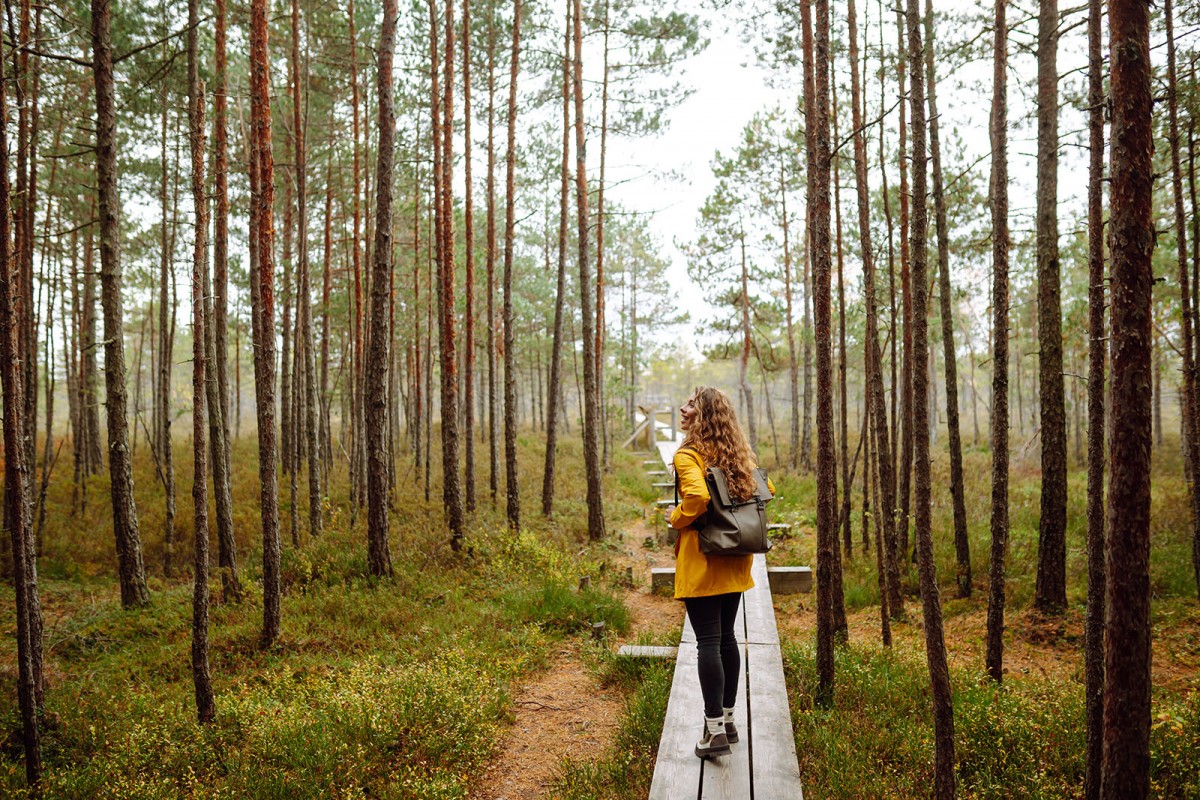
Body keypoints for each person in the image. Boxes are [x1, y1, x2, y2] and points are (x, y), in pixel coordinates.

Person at [665, 386, 774, 760]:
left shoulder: (689, 455)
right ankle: (728, 723)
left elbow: (695, 498)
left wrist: (675, 518)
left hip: (705, 557)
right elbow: (767, 488)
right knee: (727, 638)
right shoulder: (738, 453)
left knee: (708, 641)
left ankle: (713, 733)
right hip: (737, 554)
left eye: (691, 403)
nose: (683, 407)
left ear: (703, 415)